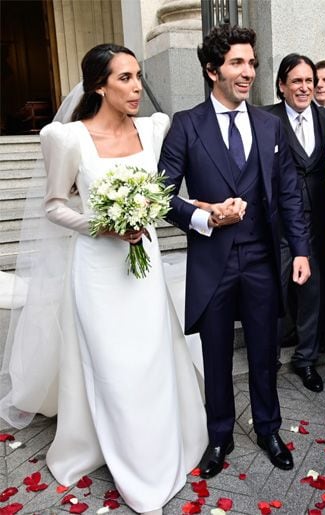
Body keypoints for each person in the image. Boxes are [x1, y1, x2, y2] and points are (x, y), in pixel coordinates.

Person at [0, 44, 208, 514]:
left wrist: (201, 211)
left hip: (145, 263)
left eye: (138, 77)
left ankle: (160, 447)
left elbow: (166, 192)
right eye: (125, 79)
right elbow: (54, 205)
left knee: (151, 355)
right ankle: (129, 461)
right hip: (96, 268)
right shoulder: (66, 137)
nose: (137, 87)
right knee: (112, 364)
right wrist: (103, 224)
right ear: (98, 85)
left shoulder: (154, 130)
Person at [159, 24, 310, 477]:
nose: (248, 72)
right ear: (212, 70)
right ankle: (219, 435)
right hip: (213, 262)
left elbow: (288, 194)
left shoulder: (270, 124)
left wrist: (301, 250)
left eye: (252, 63)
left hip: (263, 259)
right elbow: (161, 195)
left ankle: (268, 429)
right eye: (237, 63)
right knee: (217, 354)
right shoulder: (186, 125)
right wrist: (205, 218)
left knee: (265, 353)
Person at [263, 54, 325, 392]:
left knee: (314, 290)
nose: (305, 87)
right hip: (279, 221)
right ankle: (267, 357)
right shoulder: (265, 120)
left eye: (309, 81)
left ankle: (306, 359)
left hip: (320, 221)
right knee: (273, 288)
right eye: (296, 81)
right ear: (282, 85)